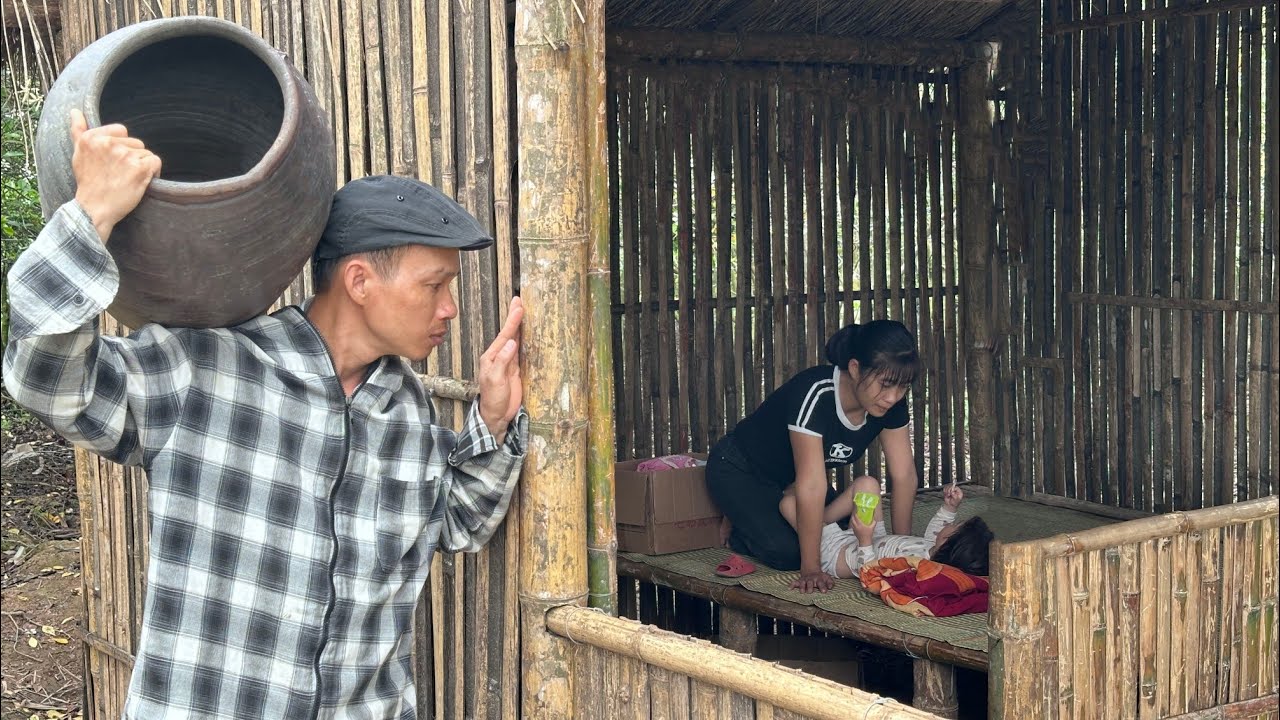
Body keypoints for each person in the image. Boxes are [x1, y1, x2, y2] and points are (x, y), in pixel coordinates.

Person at [3, 109, 527, 719]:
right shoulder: (204, 371)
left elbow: (458, 524)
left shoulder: (405, 412)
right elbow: (44, 380)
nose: (451, 309)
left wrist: (492, 422)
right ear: (359, 280)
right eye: (435, 285)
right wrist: (91, 216)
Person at [706, 320, 924, 593]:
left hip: (792, 482)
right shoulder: (816, 393)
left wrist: (900, 551)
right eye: (885, 385)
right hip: (740, 470)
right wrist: (812, 569)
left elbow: (903, 474)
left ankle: (755, 515)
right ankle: (742, 521)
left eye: (902, 388)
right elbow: (812, 485)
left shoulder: (889, 403)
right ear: (855, 369)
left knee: (849, 530)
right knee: (791, 553)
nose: (893, 397)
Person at [780, 476, 994, 579]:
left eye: (956, 525)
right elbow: (934, 533)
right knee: (868, 485)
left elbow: (871, 574)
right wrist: (949, 507)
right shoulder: (935, 550)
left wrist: (864, 540)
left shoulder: (917, 568)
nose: (952, 523)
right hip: (874, 537)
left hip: (837, 554)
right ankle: (821, 519)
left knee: (789, 503)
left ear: (949, 542)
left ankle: (812, 517)